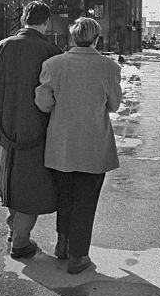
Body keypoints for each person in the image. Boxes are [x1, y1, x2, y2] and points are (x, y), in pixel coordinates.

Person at [35, 17, 122, 274]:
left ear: (72, 38)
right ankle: (78, 255)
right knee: (85, 200)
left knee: (65, 195)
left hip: (61, 144)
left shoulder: (53, 65)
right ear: (97, 38)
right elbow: (114, 105)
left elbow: (43, 102)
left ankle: (62, 244)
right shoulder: (109, 67)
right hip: (94, 146)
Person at [0, 0, 62, 259]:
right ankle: (20, 241)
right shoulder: (50, 51)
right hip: (37, 130)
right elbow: (56, 94)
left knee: (11, 181)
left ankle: (14, 231)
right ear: (45, 22)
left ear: (24, 18)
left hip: (4, 129)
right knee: (31, 186)